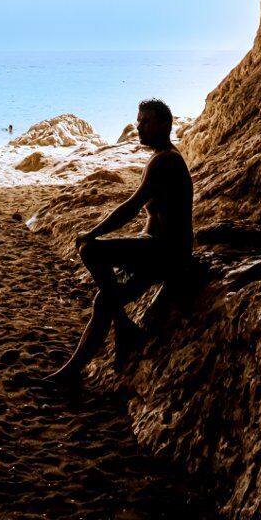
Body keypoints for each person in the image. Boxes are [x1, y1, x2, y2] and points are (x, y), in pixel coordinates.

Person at [45, 98, 193, 383]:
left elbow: (131, 207)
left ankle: (125, 328)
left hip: (168, 253)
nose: (138, 127)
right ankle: (70, 374)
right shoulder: (161, 157)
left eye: (145, 122)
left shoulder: (166, 161)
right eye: (138, 122)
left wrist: (93, 233)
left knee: (91, 249)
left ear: (164, 125)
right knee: (105, 300)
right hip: (160, 248)